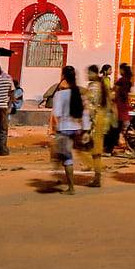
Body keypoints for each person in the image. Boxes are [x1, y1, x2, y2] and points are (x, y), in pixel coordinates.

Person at [50, 66, 90, 195]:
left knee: (66, 158)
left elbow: (56, 113)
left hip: (65, 129)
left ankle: (71, 187)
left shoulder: (60, 94)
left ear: (63, 77)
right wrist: (86, 129)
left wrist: (56, 128)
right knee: (68, 155)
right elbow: (84, 112)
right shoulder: (78, 92)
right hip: (76, 128)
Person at [82, 64, 113, 187]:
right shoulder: (102, 85)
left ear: (94, 73)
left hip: (95, 121)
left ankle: (97, 176)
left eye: (89, 73)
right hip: (102, 120)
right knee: (96, 150)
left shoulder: (94, 86)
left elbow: (90, 105)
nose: (87, 76)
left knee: (91, 149)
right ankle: (97, 174)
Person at [104, 63, 133, 155]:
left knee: (114, 130)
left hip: (118, 107)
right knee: (117, 129)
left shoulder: (121, 81)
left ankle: (109, 149)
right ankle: (112, 147)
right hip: (123, 107)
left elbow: (115, 93)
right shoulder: (128, 81)